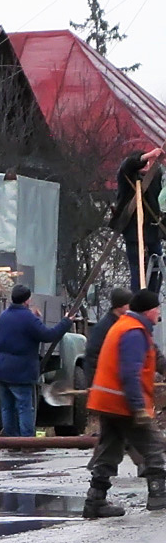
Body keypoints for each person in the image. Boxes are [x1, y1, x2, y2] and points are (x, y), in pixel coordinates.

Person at [81, 288, 166, 518]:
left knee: (109, 450)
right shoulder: (133, 332)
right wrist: (138, 407)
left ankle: (95, 501)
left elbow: (154, 360)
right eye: (157, 308)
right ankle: (159, 496)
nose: (159, 312)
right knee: (155, 445)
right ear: (148, 311)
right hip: (123, 403)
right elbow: (130, 372)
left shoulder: (126, 327)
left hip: (109, 401)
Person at [0, 284, 73, 437]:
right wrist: (66, 322)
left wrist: (34, 318)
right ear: (27, 300)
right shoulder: (28, 318)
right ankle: (28, 442)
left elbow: (18, 331)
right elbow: (48, 335)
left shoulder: (4, 315)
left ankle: (10, 440)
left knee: (7, 407)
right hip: (20, 371)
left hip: (1, 368)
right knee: (24, 407)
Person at [110, 148, 163, 293]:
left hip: (152, 231)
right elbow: (128, 165)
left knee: (156, 269)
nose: (148, 165)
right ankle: (138, 300)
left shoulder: (157, 178)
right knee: (137, 270)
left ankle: (151, 301)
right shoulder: (127, 176)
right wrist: (149, 155)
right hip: (134, 232)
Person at [83, 288, 134, 386]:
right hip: (104, 381)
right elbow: (92, 355)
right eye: (129, 304)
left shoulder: (124, 322)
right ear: (120, 306)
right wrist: (96, 381)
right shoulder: (104, 327)